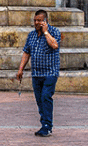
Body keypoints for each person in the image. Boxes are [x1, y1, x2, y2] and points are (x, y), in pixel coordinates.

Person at [16, 9, 61, 137]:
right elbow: (26, 52)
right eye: (35, 20)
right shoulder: (31, 35)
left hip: (50, 72)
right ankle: (44, 124)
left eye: (40, 20)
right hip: (36, 73)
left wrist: (46, 32)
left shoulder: (54, 32)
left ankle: (47, 125)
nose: (36, 23)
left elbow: (55, 45)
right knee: (39, 100)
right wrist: (20, 69)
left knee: (46, 96)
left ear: (46, 21)